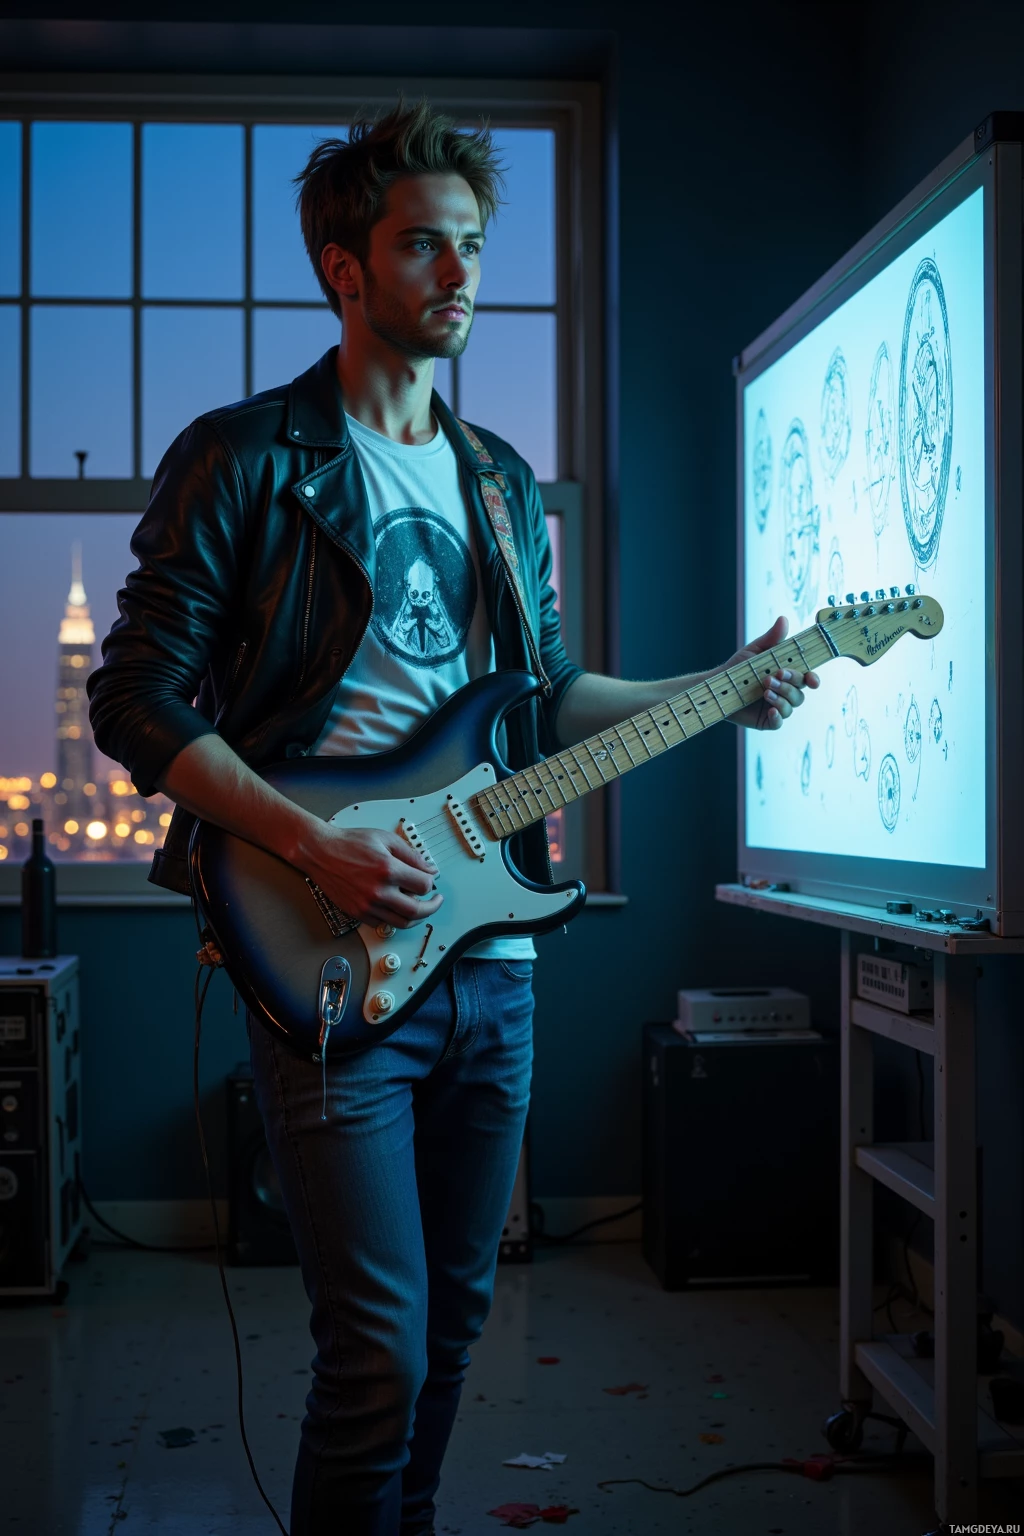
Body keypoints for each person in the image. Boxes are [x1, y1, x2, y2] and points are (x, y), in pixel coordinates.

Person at [88, 98, 818, 1536]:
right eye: (425, 245)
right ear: (342, 268)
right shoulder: (246, 459)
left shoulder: (495, 484)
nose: (460, 273)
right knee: (377, 1349)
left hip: (496, 960)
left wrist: (722, 688)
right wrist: (311, 841)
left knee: (457, 1327)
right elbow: (138, 700)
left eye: (473, 245)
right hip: (326, 954)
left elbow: (540, 704)